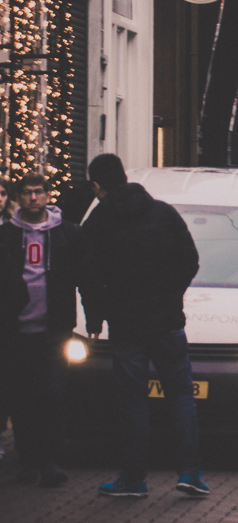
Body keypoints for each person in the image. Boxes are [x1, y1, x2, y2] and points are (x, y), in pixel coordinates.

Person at [80, 154, 206, 498]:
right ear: (125, 176)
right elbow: (190, 259)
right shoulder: (163, 213)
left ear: (96, 186)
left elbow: (88, 278)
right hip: (167, 321)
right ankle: (190, 472)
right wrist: (171, 295)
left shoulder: (96, 223)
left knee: (132, 401)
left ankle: (135, 478)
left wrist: (96, 317)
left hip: (126, 324)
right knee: (181, 396)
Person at [0, 172, 88, 487]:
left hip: (54, 330)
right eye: (26, 192)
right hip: (14, 332)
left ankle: (50, 460)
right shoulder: (6, 236)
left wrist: (91, 316)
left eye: (38, 192)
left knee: (53, 393)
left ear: (48, 195)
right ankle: (28, 460)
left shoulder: (67, 234)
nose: (33, 198)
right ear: (18, 197)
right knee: (21, 397)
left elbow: (83, 278)